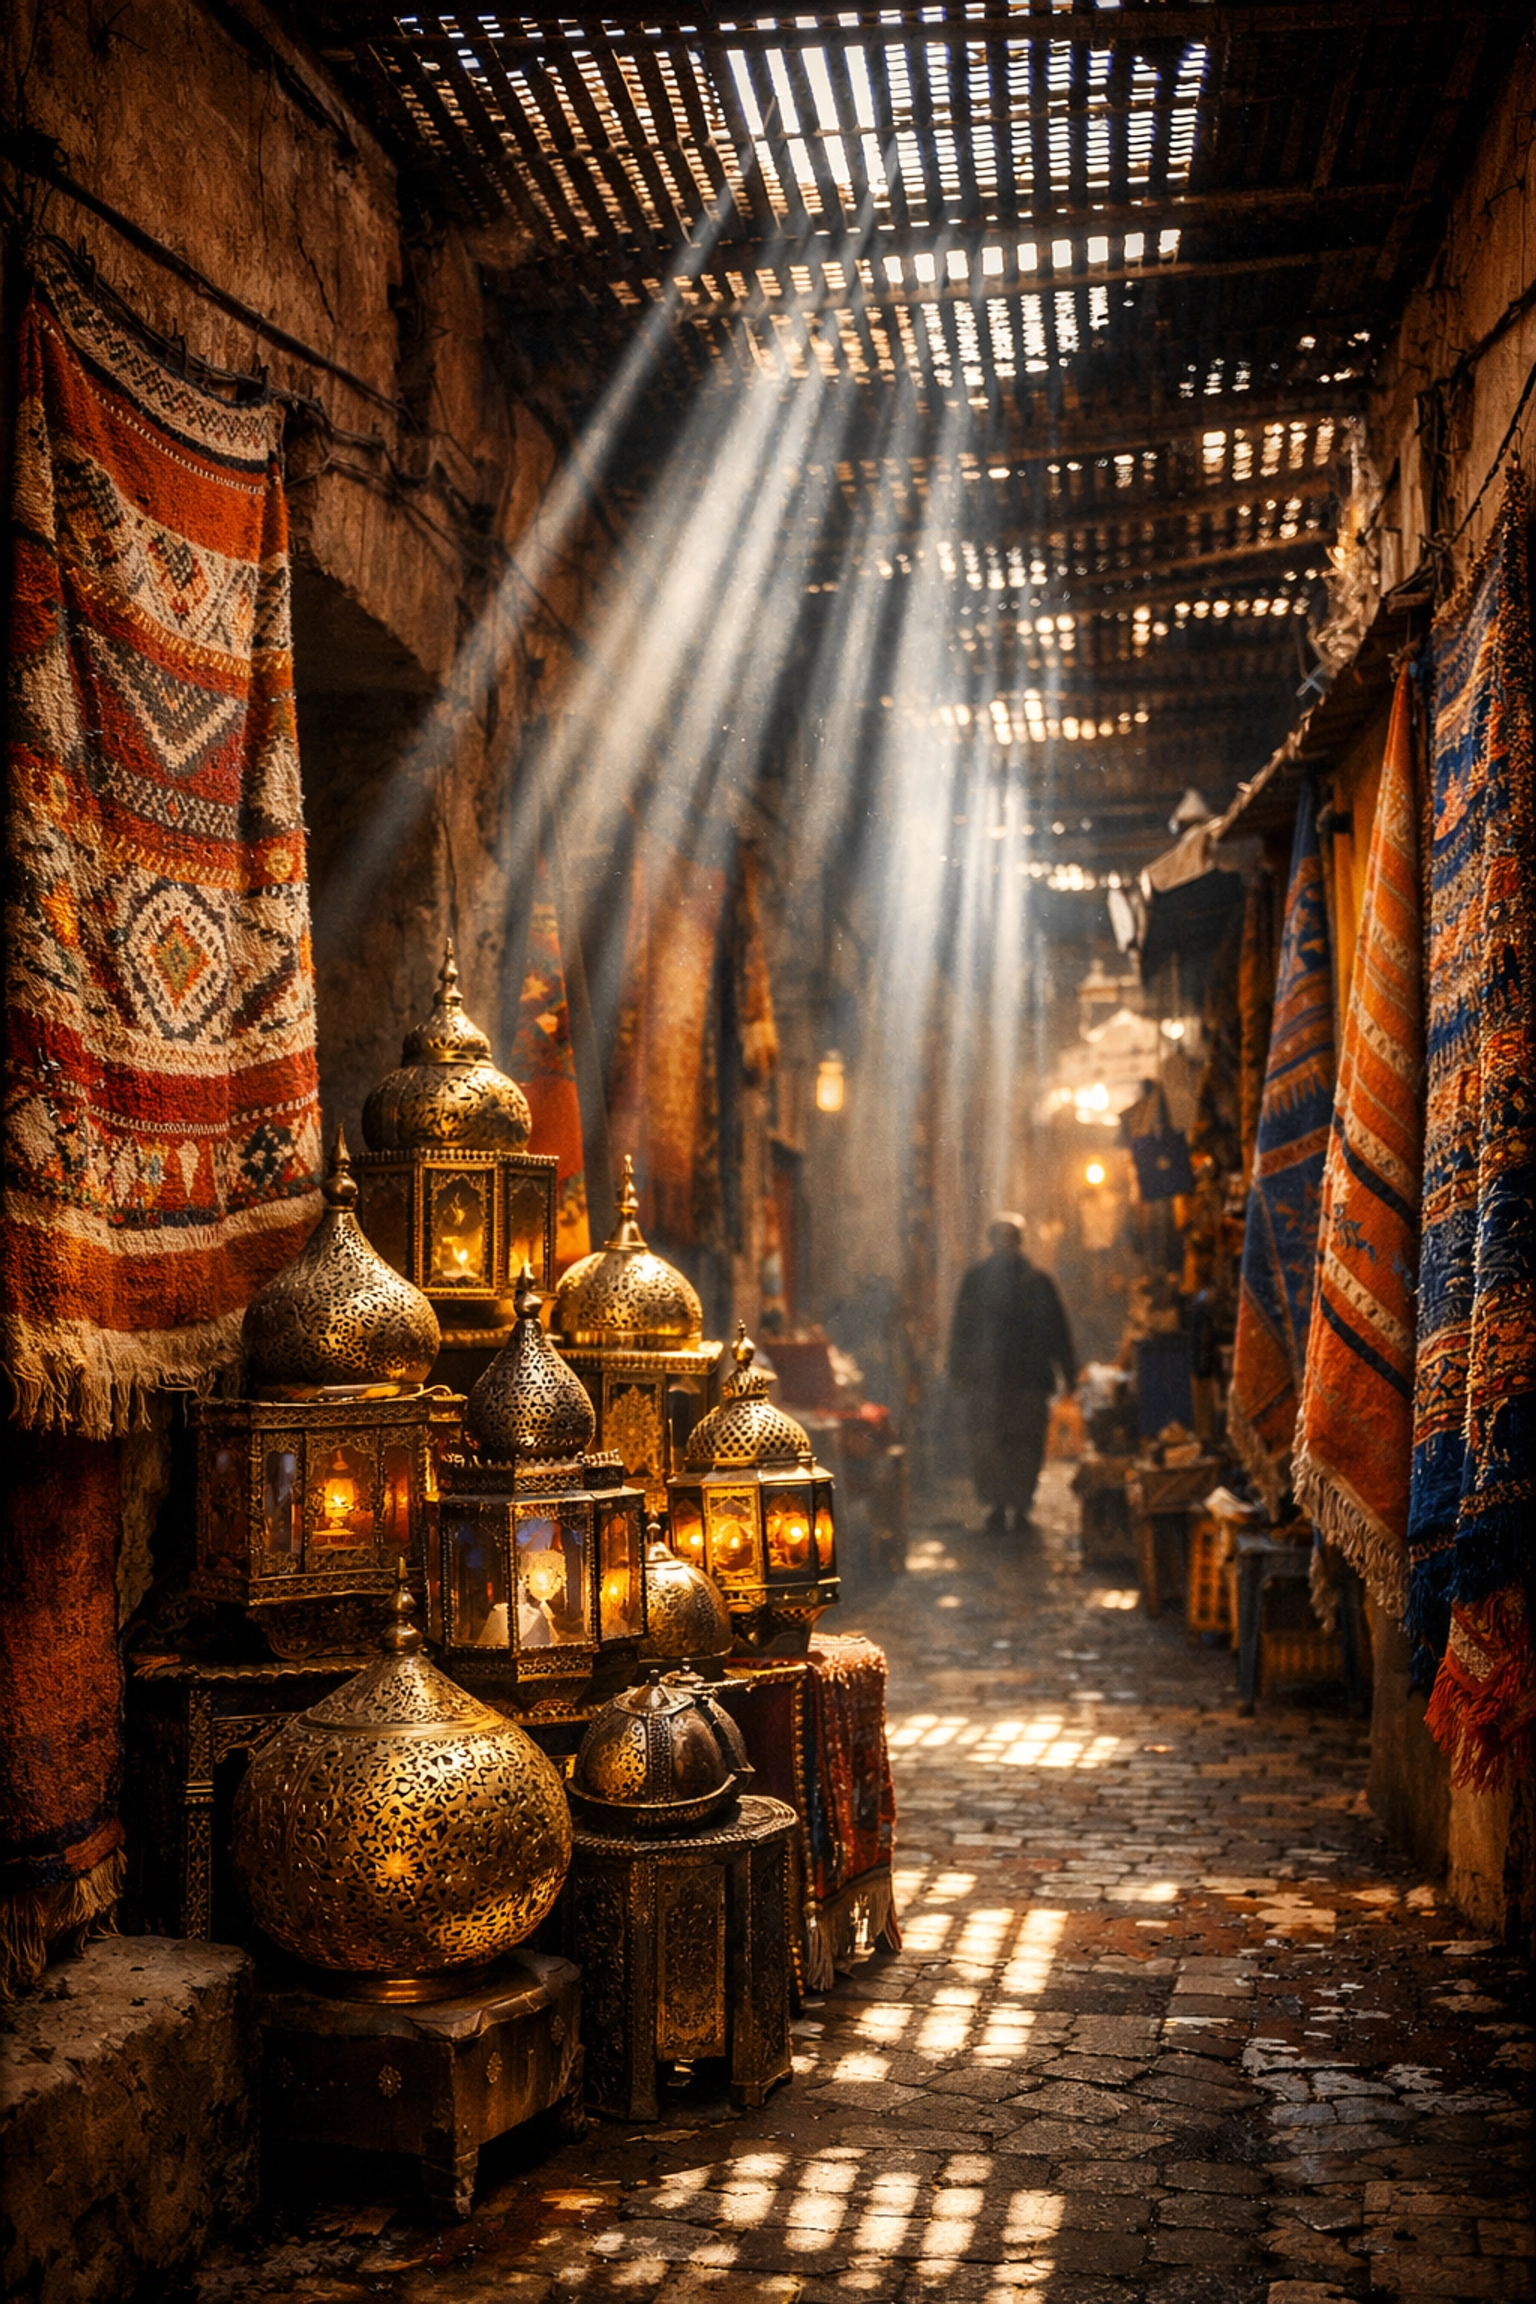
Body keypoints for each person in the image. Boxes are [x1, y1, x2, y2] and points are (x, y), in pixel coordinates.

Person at [948, 1213, 1077, 1533]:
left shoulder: (1030, 1282)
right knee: (1000, 1444)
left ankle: (1012, 1505)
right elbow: (962, 1329)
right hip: (1000, 1381)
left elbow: (1057, 1330)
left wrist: (1069, 1373)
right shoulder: (983, 1280)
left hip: (1014, 1382)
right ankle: (1004, 1504)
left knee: (1017, 1444)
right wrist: (958, 1369)